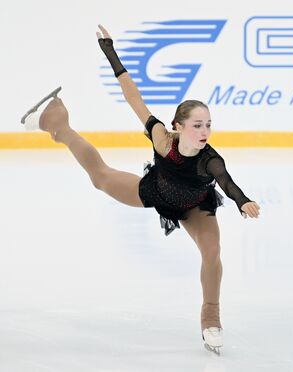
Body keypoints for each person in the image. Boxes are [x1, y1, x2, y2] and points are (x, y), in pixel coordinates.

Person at [31, 24, 260, 355]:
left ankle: (210, 316)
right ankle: (60, 126)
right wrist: (110, 51)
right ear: (178, 127)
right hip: (155, 191)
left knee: (212, 252)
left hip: (196, 207)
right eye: (198, 125)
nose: (205, 131)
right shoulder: (160, 137)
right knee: (100, 177)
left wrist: (243, 200)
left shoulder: (209, 160)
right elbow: (133, 96)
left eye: (208, 124)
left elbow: (227, 182)